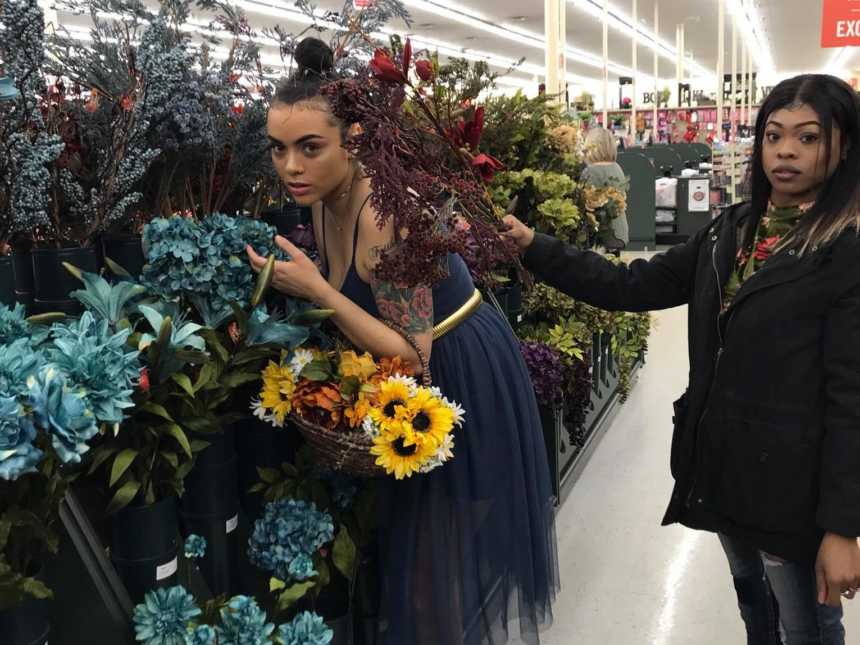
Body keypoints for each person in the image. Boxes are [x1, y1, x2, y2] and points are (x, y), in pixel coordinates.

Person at [504, 74, 860, 645]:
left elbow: (852, 399)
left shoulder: (844, 250)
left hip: (793, 487)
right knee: (755, 607)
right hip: (720, 464)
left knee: (807, 626)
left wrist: (843, 526)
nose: (786, 151)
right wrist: (533, 247)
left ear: (843, 146)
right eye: (773, 135)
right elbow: (630, 285)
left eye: (808, 137)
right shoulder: (733, 230)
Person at [245, 38, 558, 645]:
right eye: (279, 149)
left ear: (354, 140)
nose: (290, 167)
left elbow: (414, 356)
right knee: (418, 562)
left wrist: (315, 290)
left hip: (459, 375)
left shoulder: (386, 216)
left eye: (311, 147)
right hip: (418, 376)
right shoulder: (321, 200)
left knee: (436, 573)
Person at [581, 127, 629, 251]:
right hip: (620, 231)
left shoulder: (590, 171)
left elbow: (583, 202)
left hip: (600, 236)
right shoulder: (617, 167)